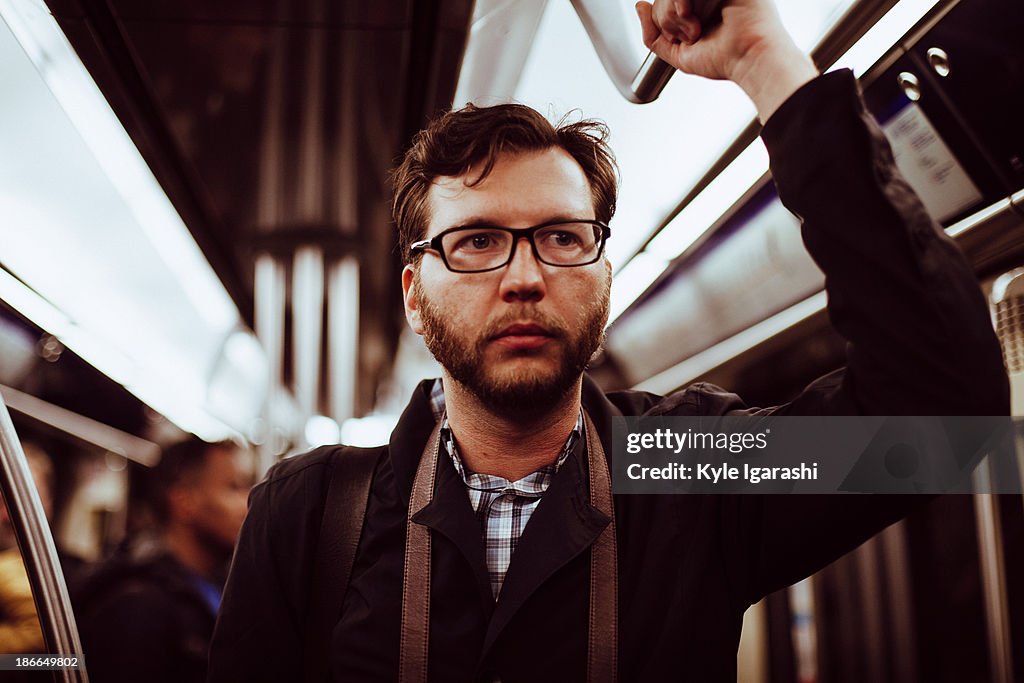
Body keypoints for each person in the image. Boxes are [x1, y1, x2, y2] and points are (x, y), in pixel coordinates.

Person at [208, 0, 1010, 680]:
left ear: (603, 273)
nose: (523, 277)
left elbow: (936, 418)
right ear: (416, 295)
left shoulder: (689, 472)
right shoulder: (309, 510)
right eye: (477, 242)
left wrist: (765, 58)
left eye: (560, 237)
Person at [75, 437, 251, 683]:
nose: (248, 505)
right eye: (234, 487)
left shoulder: (219, 589)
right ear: (184, 502)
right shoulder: (138, 606)